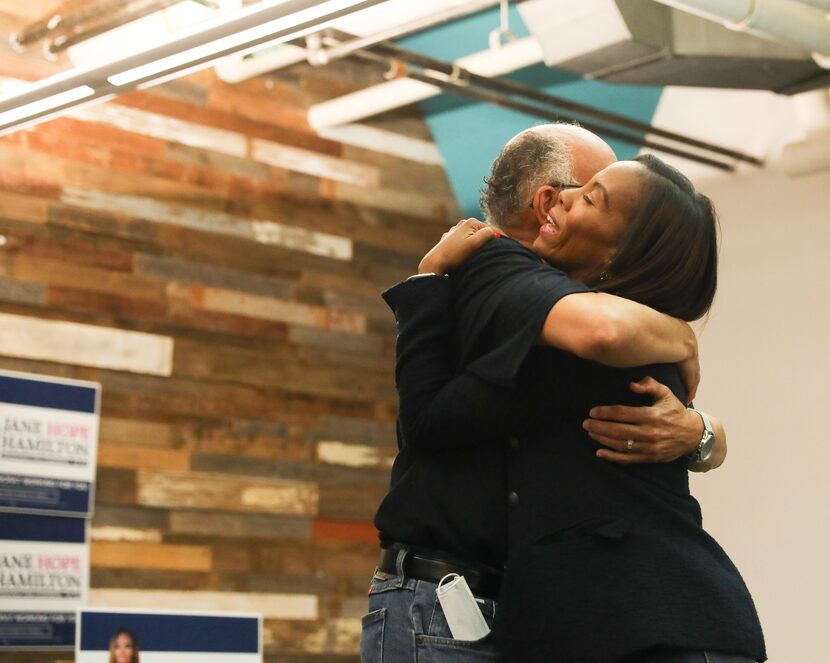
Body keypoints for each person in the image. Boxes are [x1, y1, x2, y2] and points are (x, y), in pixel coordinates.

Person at [361, 125, 732, 663]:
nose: (569, 200)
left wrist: (702, 433)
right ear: (544, 201)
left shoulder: (602, 324)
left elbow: (441, 418)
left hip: (602, 618)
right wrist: (683, 338)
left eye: (594, 197)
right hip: (453, 599)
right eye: (589, 186)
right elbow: (431, 422)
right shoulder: (502, 264)